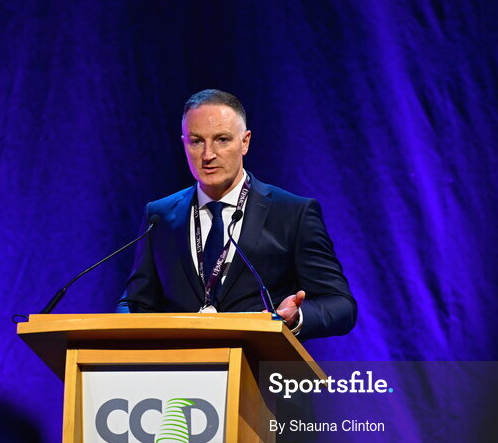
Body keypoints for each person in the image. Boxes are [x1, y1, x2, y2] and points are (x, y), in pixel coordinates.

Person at [117, 89, 356, 340]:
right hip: (179, 370)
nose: (208, 155)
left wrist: (295, 318)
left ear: (245, 142)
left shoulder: (292, 213)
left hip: (257, 369)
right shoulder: (160, 216)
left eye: (222, 139)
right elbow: (135, 303)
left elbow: (340, 305)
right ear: (184, 144)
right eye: (196, 141)